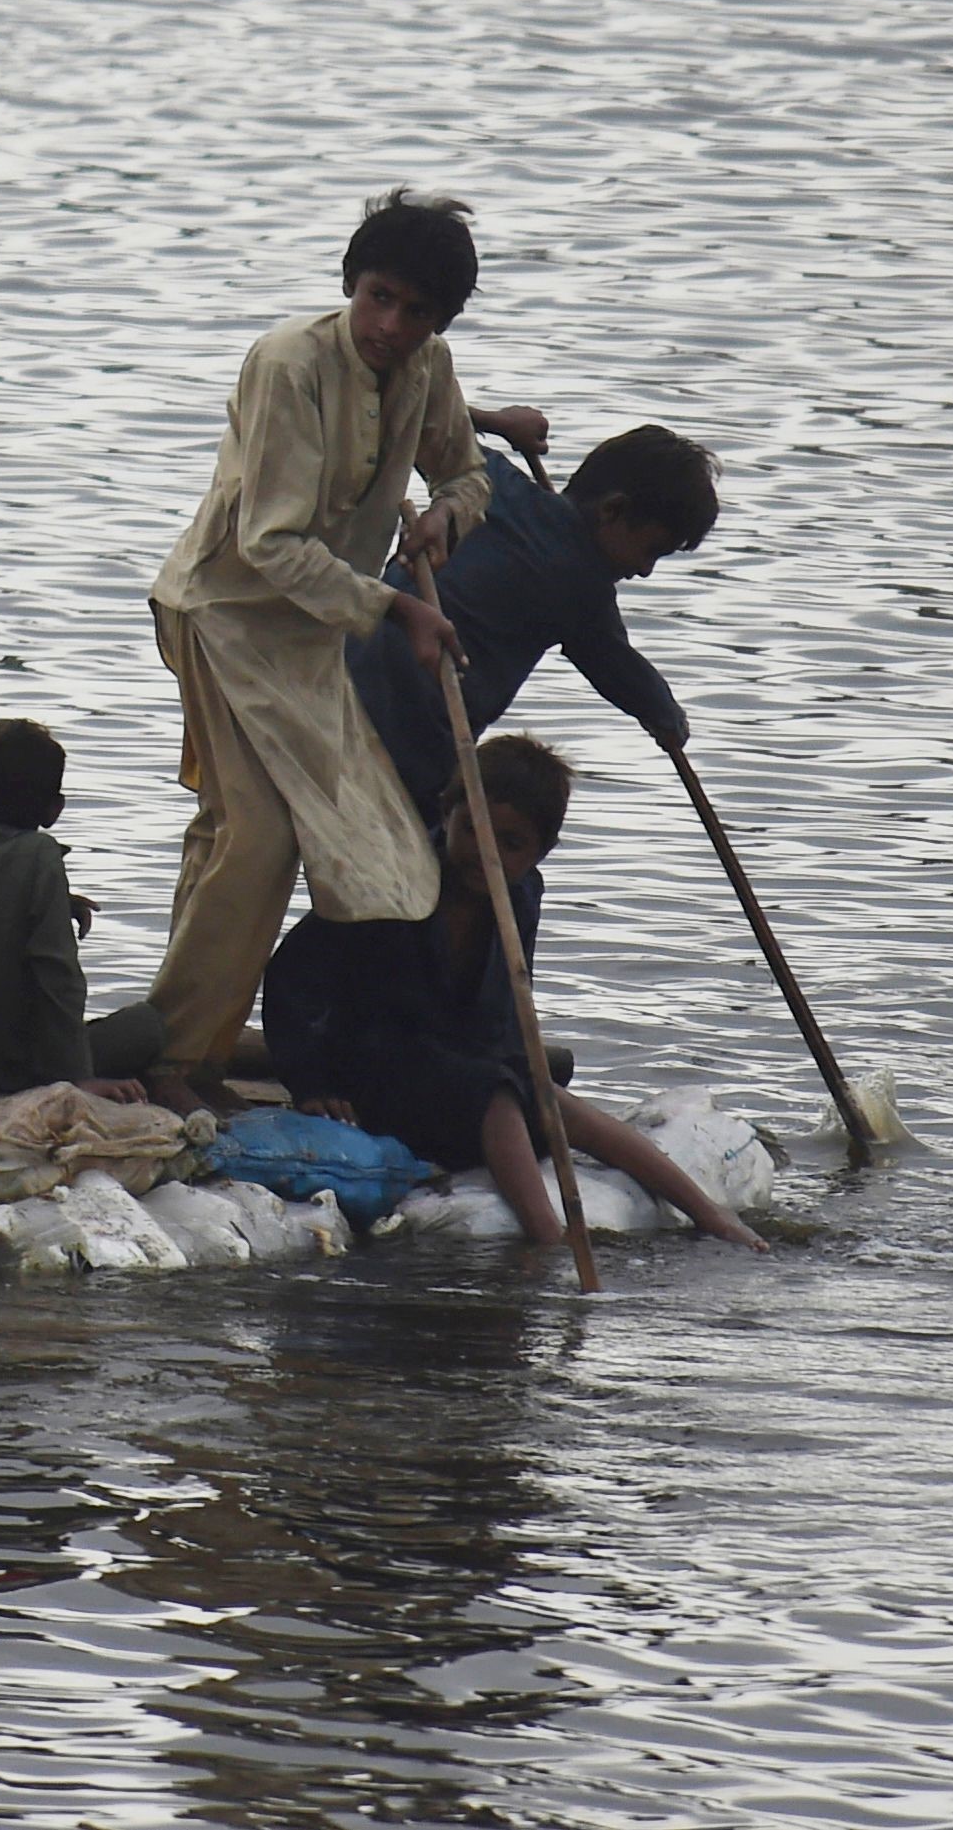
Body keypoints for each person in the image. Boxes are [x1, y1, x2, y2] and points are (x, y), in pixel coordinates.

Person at [143, 189, 495, 1103]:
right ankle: (182, 1060)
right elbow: (268, 542)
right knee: (259, 840)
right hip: (222, 613)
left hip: (308, 636)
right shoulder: (287, 363)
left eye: (416, 312)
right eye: (378, 297)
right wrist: (395, 608)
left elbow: (464, 470)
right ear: (351, 283)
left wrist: (445, 521)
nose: (390, 325)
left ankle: (179, 1036)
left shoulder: (427, 368)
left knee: (233, 833)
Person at [260, 733, 766, 1251]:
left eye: (512, 843)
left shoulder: (521, 896)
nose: (489, 852)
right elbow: (289, 980)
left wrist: (520, 1074)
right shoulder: (394, 882)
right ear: (447, 812)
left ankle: (711, 1215)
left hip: (461, 1071)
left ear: (539, 852)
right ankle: (551, 1240)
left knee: (551, 1099)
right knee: (497, 1093)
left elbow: (503, 1007)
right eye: (473, 829)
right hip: (381, 1072)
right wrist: (311, 1081)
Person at [353, 423, 719, 825]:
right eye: (651, 551)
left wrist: (495, 423)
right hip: (416, 729)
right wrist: (667, 718)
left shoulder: (491, 479)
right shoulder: (582, 586)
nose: (645, 570)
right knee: (429, 839)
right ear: (612, 510)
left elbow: (426, 420)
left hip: (346, 659)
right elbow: (617, 666)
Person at [0, 717, 138, 1100]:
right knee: (150, 1027)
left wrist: (59, 904)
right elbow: (58, 977)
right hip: (11, 1076)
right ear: (54, 809)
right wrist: (76, 1078)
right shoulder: (39, 854)